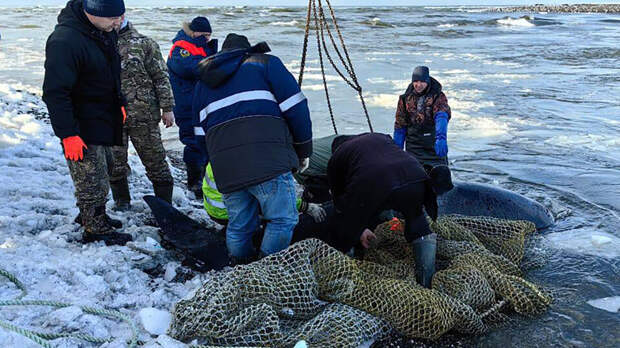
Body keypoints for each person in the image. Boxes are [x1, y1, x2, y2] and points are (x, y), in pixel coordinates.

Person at [193, 33, 313, 263]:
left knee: (239, 225)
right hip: (269, 162)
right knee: (282, 219)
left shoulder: (202, 84)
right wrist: (303, 149)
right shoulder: (265, 64)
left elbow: (199, 134)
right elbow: (296, 108)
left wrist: (216, 161)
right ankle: (266, 269)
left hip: (226, 168)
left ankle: (241, 266)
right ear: (247, 51)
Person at [42, 0, 131, 245]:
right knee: (91, 177)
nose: (119, 22)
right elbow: (55, 93)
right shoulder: (64, 41)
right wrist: (68, 134)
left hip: (104, 114)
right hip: (80, 122)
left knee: (107, 167)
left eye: (121, 16)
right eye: (114, 18)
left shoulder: (104, 31)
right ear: (91, 13)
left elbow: (112, 74)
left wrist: (120, 102)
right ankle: (95, 229)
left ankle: (91, 213)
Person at [327, 133, 440, 288]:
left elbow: (341, 203)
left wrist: (357, 229)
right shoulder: (379, 137)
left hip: (375, 183)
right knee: (417, 221)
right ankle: (426, 281)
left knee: (346, 228)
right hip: (416, 176)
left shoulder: (337, 157)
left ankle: (347, 276)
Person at [107, 16, 175, 209]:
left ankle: (165, 206)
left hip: (143, 115)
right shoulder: (98, 44)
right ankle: (122, 202)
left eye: (116, 18)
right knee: (115, 163)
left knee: (155, 161)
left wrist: (167, 108)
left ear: (122, 18)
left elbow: (161, 77)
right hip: (112, 116)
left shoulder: (145, 43)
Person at [167, 16, 218, 199]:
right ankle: (194, 183)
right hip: (187, 105)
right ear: (194, 32)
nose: (207, 39)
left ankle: (206, 180)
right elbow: (194, 69)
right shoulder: (180, 48)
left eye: (209, 36)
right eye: (204, 35)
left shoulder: (200, 47)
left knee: (207, 142)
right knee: (193, 142)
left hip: (202, 103)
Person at [202, 162, 326, 226]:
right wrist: (306, 207)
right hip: (229, 214)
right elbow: (277, 198)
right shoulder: (256, 161)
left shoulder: (223, 150)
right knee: (282, 219)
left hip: (213, 209)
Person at [393, 66, 452, 172]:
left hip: (433, 145)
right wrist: (397, 150)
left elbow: (441, 115)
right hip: (413, 146)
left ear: (427, 81)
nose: (418, 85)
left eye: (422, 81)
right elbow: (400, 125)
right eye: (416, 81)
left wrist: (441, 137)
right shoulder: (405, 98)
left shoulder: (437, 96)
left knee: (439, 176)